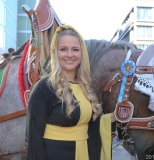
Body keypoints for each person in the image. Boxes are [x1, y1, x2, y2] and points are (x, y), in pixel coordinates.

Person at [26, 25, 115, 160]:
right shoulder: (44, 88)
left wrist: (114, 117)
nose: (69, 54)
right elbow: (34, 139)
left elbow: (90, 125)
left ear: (81, 53)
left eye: (75, 49)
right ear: (55, 53)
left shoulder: (87, 88)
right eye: (63, 49)